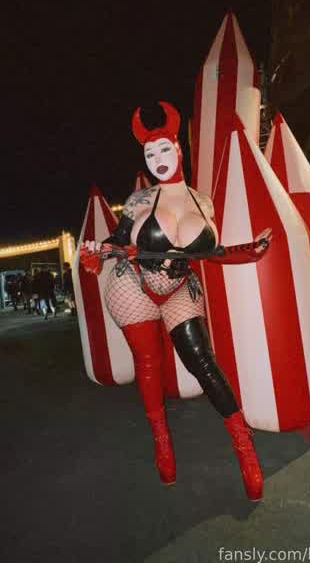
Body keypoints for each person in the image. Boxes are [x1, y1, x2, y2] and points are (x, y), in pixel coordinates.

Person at [80, 102, 272, 501]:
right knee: (148, 362)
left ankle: (244, 447)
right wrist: (97, 253)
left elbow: (211, 253)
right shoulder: (139, 200)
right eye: (149, 153)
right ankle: (162, 444)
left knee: (201, 360)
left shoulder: (203, 202)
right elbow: (119, 240)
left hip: (179, 285)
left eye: (164, 149)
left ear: (178, 149)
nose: (157, 159)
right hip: (133, 286)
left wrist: (248, 251)